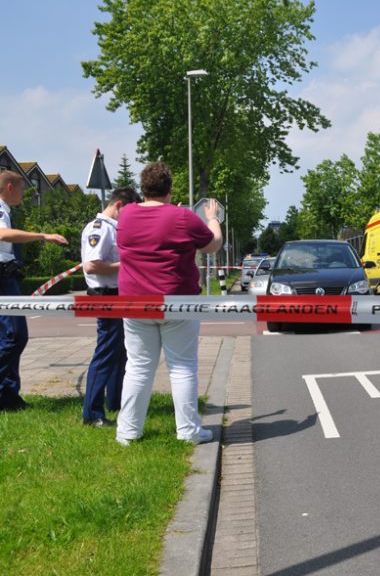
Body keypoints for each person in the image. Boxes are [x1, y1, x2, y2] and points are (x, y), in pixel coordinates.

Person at [114, 162, 222, 445]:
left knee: (137, 367)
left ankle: (127, 433)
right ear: (170, 189)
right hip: (178, 303)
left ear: (143, 188)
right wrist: (213, 220)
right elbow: (212, 245)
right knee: (182, 367)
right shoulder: (183, 217)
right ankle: (188, 432)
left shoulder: (125, 216)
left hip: (134, 304)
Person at [0, 171, 68, 411]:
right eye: (21, 188)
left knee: (11, 337)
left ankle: (8, 396)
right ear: (9, 187)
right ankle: (6, 394)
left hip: (7, 275)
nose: (24, 193)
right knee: (13, 337)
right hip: (2, 278)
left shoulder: (6, 210)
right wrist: (43, 236)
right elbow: (2, 234)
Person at [80, 187, 141, 427]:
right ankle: (92, 413)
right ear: (119, 205)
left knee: (120, 351)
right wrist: (125, 264)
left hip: (117, 294)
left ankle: (115, 402)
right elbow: (92, 266)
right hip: (105, 295)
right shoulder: (99, 228)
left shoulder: (113, 228)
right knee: (106, 352)